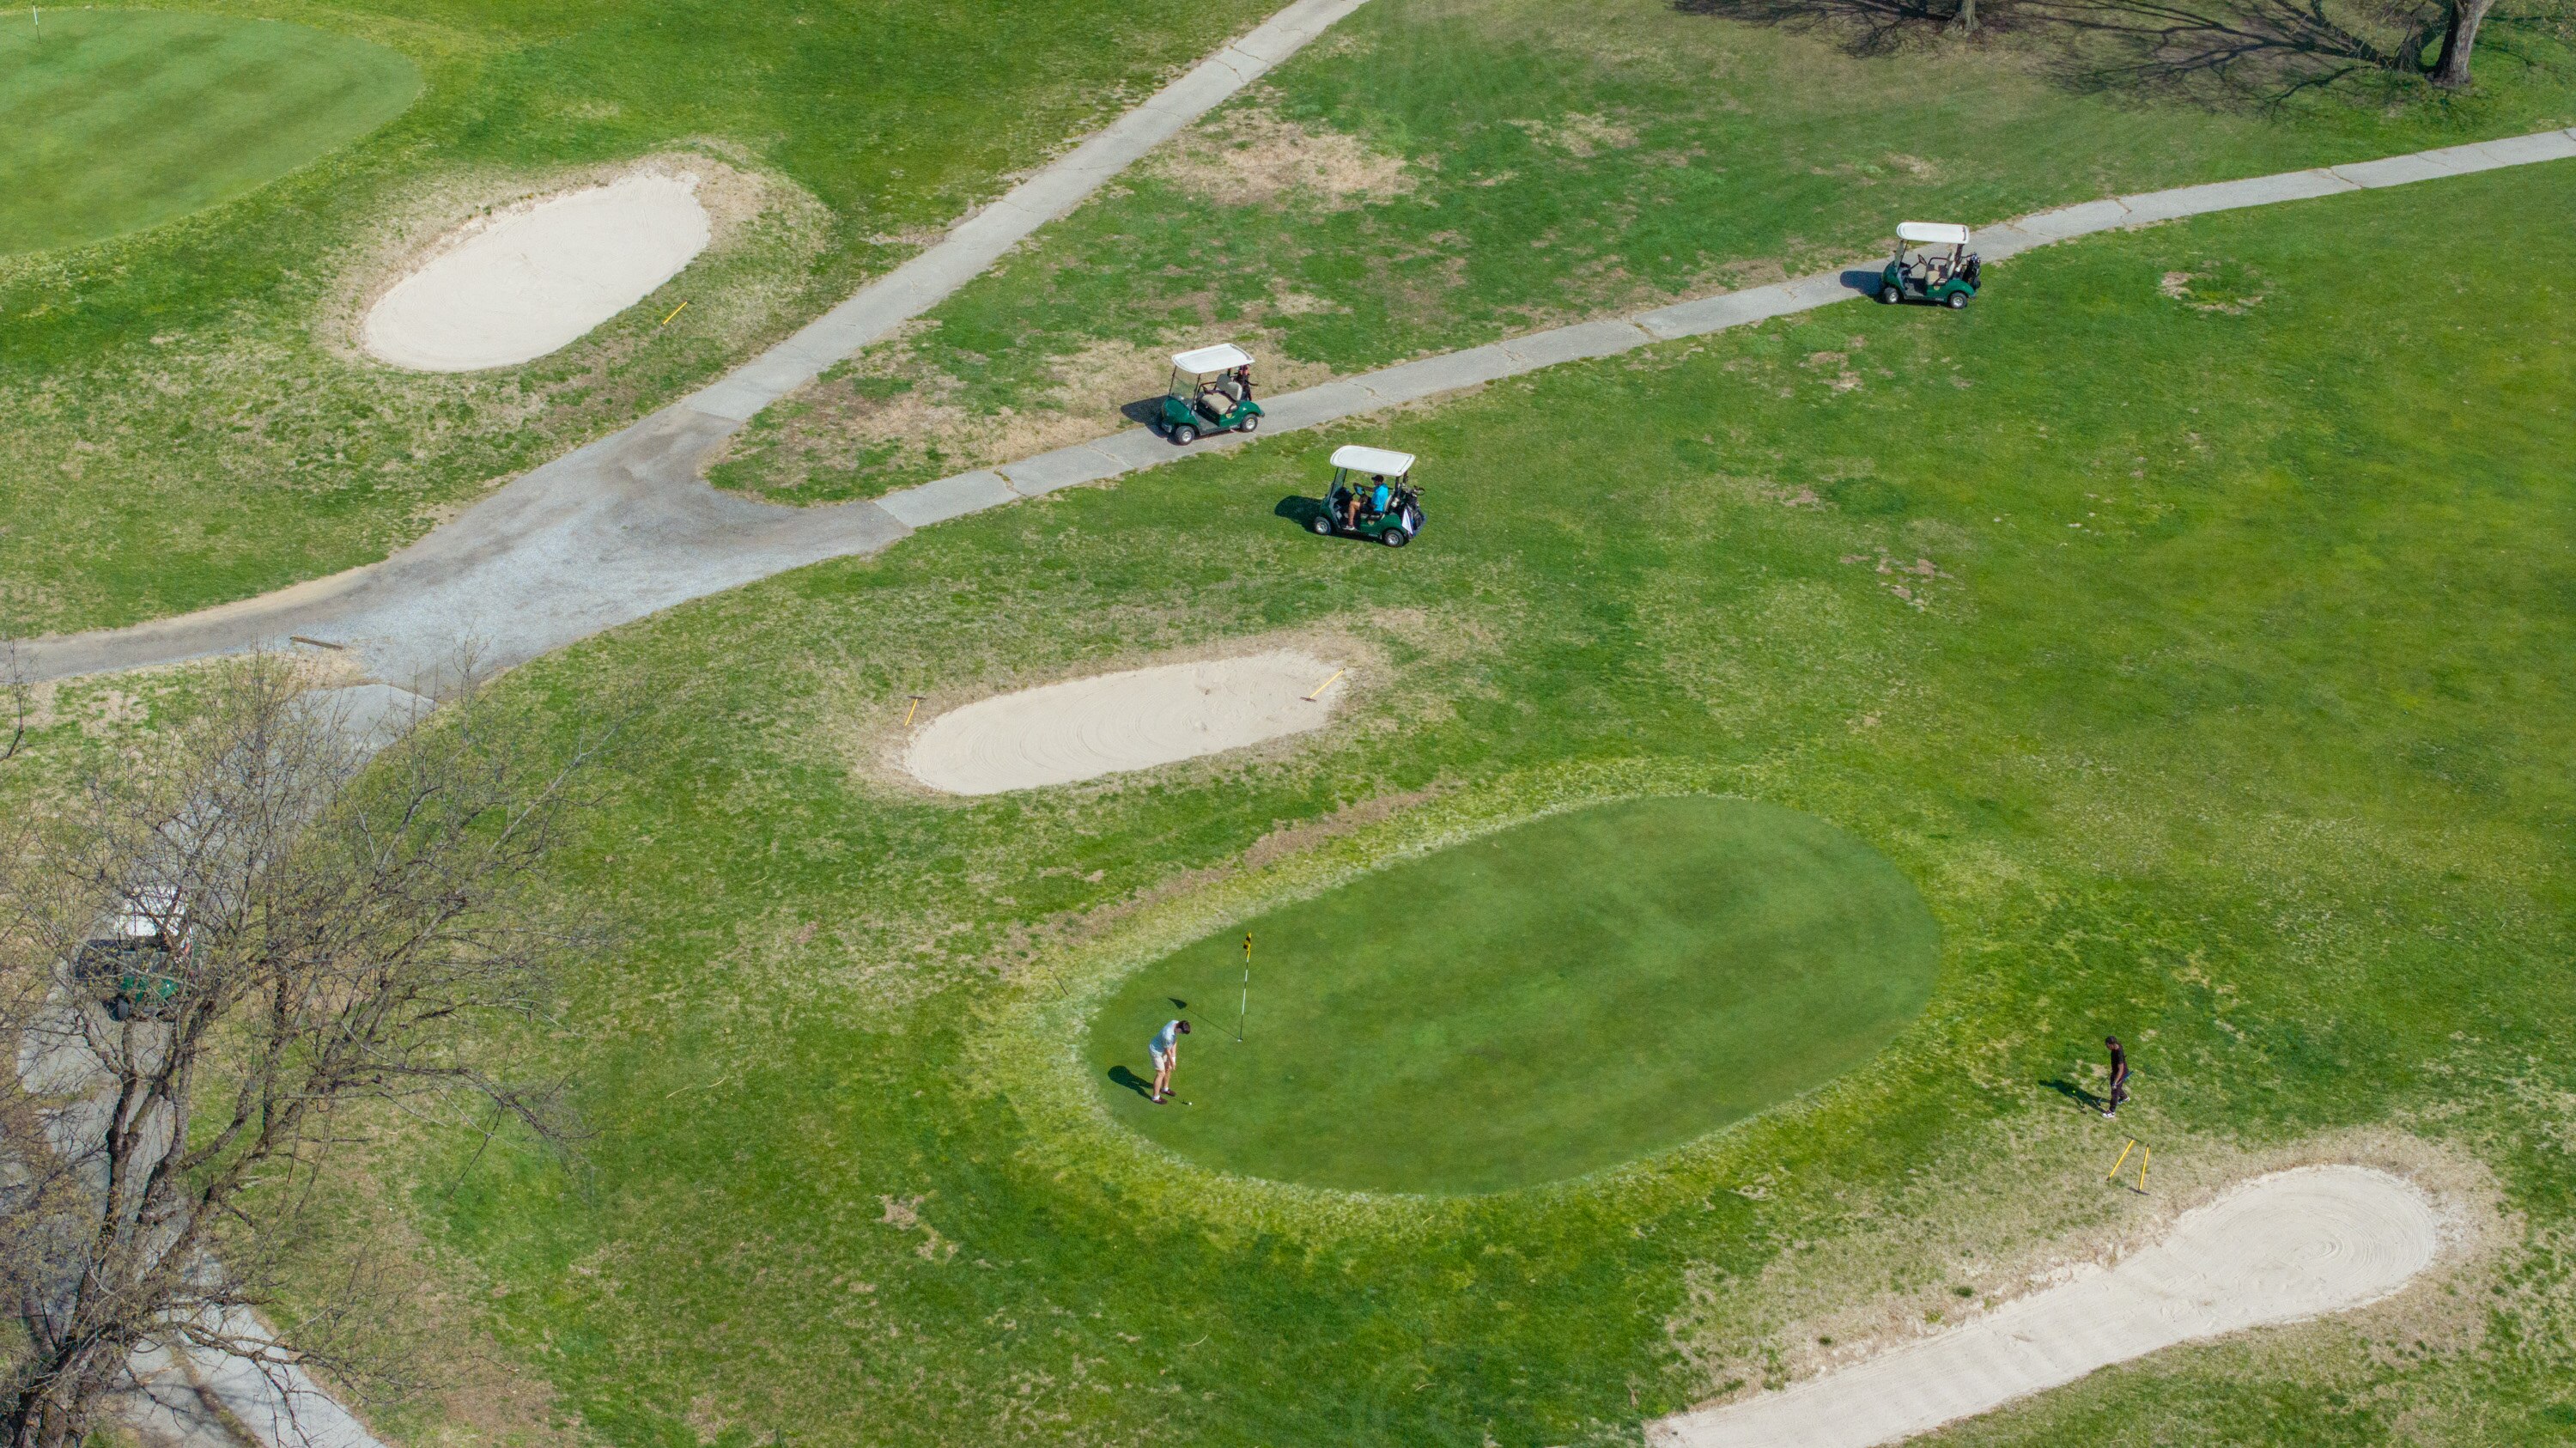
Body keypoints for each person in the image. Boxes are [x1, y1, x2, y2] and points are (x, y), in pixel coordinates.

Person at [1149, 1018, 1191, 1104]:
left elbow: (1174, 1041)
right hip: (1156, 1051)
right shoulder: (1168, 1036)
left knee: (1168, 1068)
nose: (1181, 1034)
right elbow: (1167, 1050)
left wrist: (1173, 1058)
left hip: (1163, 1050)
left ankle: (1165, 1089)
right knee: (1161, 1073)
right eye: (1182, 1032)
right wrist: (1172, 1061)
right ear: (1179, 1029)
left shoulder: (1175, 1023)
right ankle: (1155, 1098)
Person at [2102, 1036, 2129, 1118]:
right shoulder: (2116, 1046)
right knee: (2113, 1085)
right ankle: (2124, 1097)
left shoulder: (2119, 1053)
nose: (2107, 1047)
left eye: (2107, 1045)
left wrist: (2115, 1082)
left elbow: (2121, 1069)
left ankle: (2111, 1111)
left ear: (2112, 1044)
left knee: (2114, 1092)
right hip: (2116, 1071)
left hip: (2120, 1074)